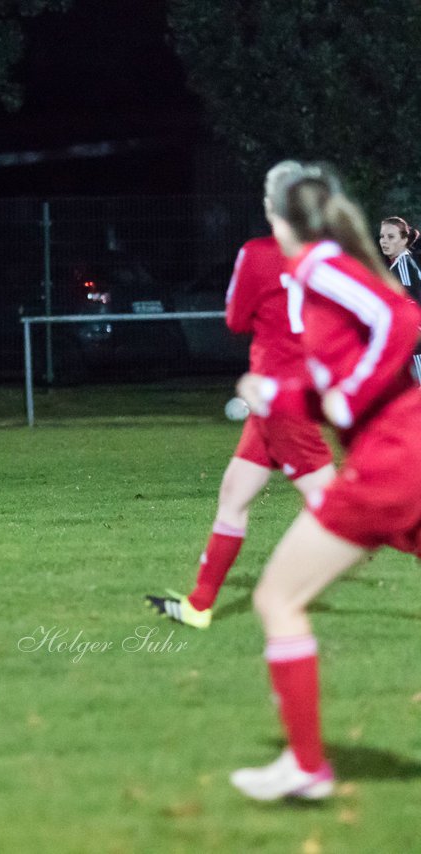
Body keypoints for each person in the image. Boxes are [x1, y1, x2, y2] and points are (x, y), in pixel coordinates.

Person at [229, 165, 421, 800]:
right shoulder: (315, 276)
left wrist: (345, 399)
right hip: (402, 453)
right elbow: (331, 380)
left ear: (282, 219)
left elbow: (402, 321)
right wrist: (281, 393)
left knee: (276, 599)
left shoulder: (317, 266)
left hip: (392, 461)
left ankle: (306, 767)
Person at [146, 161, 335, 629]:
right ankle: (199, 606)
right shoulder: (326, 254)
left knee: (341, 508)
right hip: (288, 397)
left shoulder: (257, 253)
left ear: (273, 206)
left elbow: (234, 320)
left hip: (279, 397)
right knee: (233, 493)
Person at [378, 215, 421, 378]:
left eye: (391, 237)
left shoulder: (403, 266)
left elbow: (411, 305)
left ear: (403, 240)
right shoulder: (400, 264)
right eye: (382, 236)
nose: (384, 241)